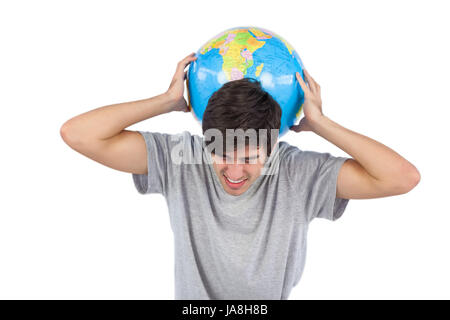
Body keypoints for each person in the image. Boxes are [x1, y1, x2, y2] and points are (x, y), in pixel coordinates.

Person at [60, 52, 420, 299]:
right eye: (220, 153)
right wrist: (165, 102)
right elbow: (77, 134)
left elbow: (402, 177)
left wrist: (323, 125)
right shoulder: (182, 158)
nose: (233, 171)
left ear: (273, 146)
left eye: (249, 158)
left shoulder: (297, 171)